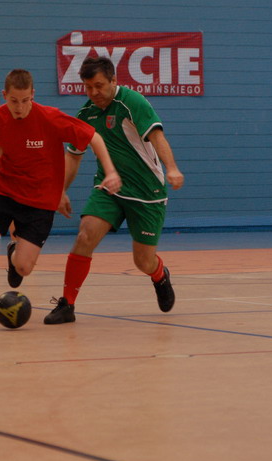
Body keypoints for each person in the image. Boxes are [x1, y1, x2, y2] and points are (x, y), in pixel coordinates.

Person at [0, 69, 122, 325]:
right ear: (5, 95)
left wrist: (111, 171)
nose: (19, 107)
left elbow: (94, 137)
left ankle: (14, 252)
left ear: (33, 95)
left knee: (24, 268)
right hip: (4, 193)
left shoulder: (49, 118)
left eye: (25, 100)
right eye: (14, 101)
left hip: (40, 201)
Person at [44, 56, 185, 324]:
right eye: (88, 87)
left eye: (99, 86)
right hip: (109, 186)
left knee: (142, 261)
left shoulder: (132, 102)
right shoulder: (86, 114)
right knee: (85, 234)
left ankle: (159, 274)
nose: (94, 92)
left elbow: (157, 137)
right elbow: (73, 156)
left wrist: (172, 168)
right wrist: (60, 191)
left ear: (113, 81)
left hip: (146, 191)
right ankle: (67, 304)